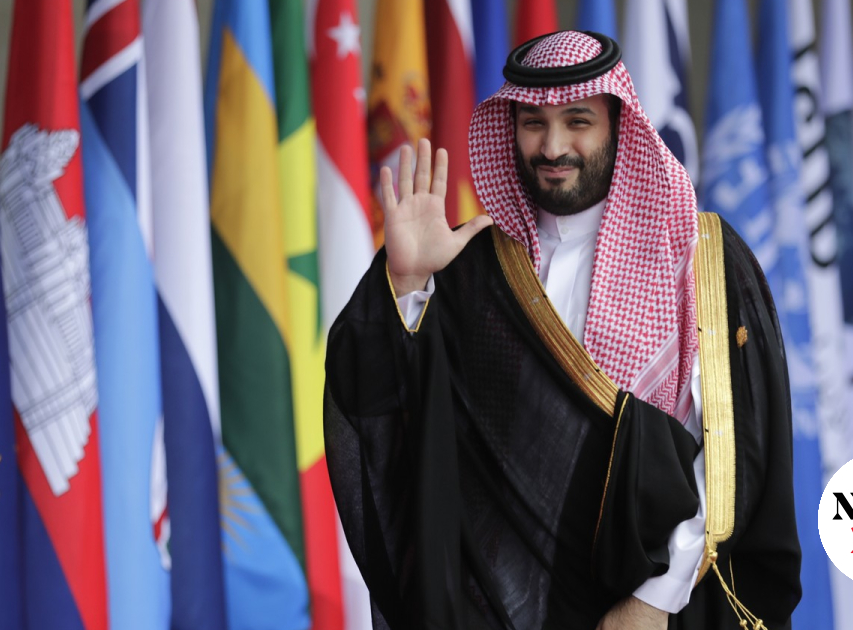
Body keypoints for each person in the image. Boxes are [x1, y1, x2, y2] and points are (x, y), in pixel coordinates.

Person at [324, 31, 800, 629]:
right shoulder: (477, 267)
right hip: (507, 608)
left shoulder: (698, 256)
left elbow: (730, 451)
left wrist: (652, 600)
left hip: (662, 609)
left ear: (618, 125)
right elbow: (403, 421)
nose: (552, 147)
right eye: (533, 123)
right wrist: (407, 282)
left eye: (578, 121)